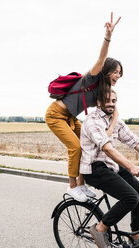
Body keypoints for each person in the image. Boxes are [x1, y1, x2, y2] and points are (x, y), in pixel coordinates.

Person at [45, 12, 123, 202]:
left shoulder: (103, 90)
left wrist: (110, 130)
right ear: (106, 71)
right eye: (115, 72)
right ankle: (73, 187)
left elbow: (115, 109)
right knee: (76, 147)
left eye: (120, 73)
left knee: (88, 146)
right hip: (56, 115)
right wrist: (108, 37)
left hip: (71, 118)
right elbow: (101, 59)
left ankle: (82, 184)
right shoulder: (92, 77)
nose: (118, 76)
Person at [80, 90, 139, 248]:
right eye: (107, 100)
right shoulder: (92, 121)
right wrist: (131, 166)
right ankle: (99, 229)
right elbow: (107, 148)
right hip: (94, 168)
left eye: (114, 100)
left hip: (110, 166)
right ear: (98, 102)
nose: (111, 103)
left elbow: (134, 141)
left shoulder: (115, 120)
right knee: (131, 197)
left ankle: (136, 235)